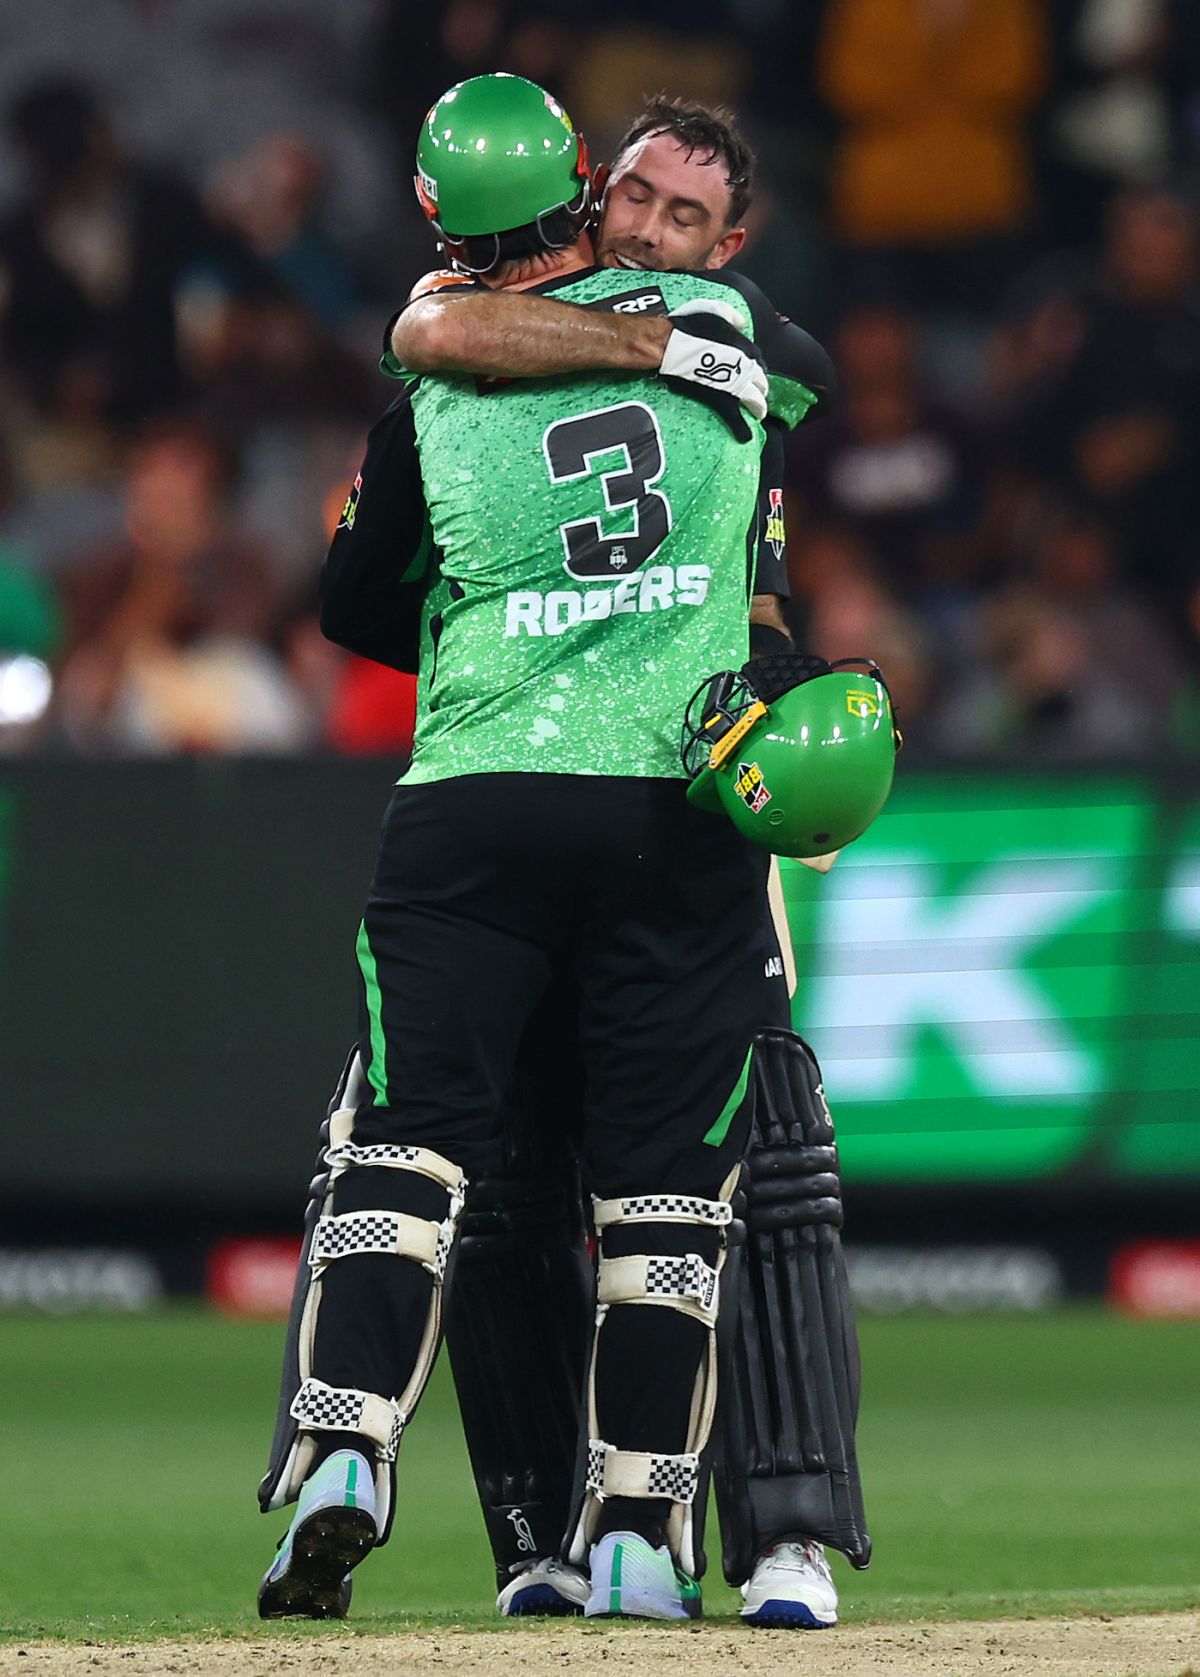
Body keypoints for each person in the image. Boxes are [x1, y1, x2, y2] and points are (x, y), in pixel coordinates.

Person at [256, 71, 830, 1625]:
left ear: (440, 211)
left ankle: (343, 1450)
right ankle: (642, 1533)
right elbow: (789, 401)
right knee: (666, 1199)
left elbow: (356, 600)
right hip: (669, 808)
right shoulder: (737, 339)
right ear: (587, 181)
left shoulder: (432, 369)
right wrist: (663, 340)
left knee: (407, 1144)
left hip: (474, 803)